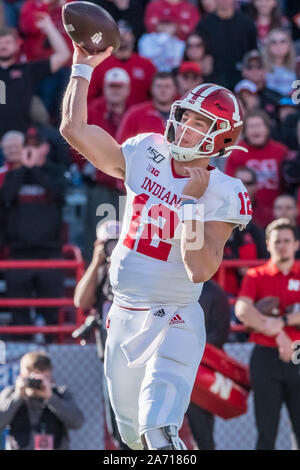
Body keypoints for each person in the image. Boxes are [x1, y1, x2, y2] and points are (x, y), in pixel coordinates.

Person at [60, 42, 252, 450]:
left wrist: (191, 208)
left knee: (158, 429)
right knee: (129, 435)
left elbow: (200, 269)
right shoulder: (145, 150)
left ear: (220, 138)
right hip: (123, 311)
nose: (184, 127)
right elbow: (73, 130)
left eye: (199, 123)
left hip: (176, 317)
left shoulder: (223, 190)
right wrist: (82, 67)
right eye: (184, 117)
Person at [235, 218, 300, 450]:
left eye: (287, 240)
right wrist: (275, 331)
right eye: (277, 241)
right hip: (265, 356)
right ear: (268, 244)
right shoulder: (256, 275)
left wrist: (281, 322)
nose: (282, 245)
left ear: (296, 244)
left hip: (298, 354)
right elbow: (242, 309)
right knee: (266, 431)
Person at [0, 130, 66, 337]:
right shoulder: (13, 176)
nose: (30, 152)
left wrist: (36, 169)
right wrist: (24, 169)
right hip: (19, 253)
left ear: (44, 148)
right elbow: (6, 197)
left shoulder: (55, 172)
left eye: (35, 146)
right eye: (27, 147)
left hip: (50, 253)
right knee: (19, 314)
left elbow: (59, 193)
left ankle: (55, 355)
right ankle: (23, 357)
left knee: (51, 312)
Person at [0, 351, 84, 449]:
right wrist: (18, 397)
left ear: (50, 376)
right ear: (21, 375)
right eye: (32, 379)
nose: (36, 383)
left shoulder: (60, 393)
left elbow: (77, 422)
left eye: (42, 378)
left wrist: (51, 398)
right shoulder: (11, 393)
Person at [0, 25, 70, 138]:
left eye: (7, 42)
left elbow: (63, 55)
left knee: (55, 139)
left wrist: (48, 26)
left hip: (25, 139)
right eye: (0, 43)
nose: (3, 46)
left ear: (17, 45)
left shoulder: (27, 70)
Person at [225, 109, 289, 228]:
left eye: (258, 125)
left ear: (267, 128)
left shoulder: (281, 151)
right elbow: (229, 186)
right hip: (246, 215)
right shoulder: (236, 153)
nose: (255, 130)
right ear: (245, 131)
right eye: (251, 126)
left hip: (277, 213)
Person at [186, 280, 230, 450]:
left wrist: (189, 348)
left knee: (202, 432)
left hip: (201, 373)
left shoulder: (213, 291)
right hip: (168, 366)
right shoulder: (171, 286)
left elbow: (220, 333)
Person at [88, 20, 156, 107]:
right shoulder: (100, 64)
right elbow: (90, 98)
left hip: (138, 117)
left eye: (126, 33)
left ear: (133, 37)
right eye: (118, 33)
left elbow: (155, 97)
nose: (122, 36)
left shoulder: (146, 64)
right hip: (107, 117)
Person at [196, 0, 257, 90]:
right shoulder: (204, 24)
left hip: (241, 80)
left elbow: (253, 51)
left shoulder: (247, 23)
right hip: (213, 80)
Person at [116, 71, 177, 143]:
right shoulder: (135, 113)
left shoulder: (183, 114)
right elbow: (120, 143)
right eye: (159, 86)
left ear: (175, 89)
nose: (163, 90)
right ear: (151, 88)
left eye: (167, 86)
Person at [88, 67, 131, 138]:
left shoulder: (134, 112)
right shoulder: (91, 111)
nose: (115, 90)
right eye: (111, 86)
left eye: (119, 86)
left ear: (128, 89)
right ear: (104, 88)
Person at [263, 28, 297, 97]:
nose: (278, 45)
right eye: (274, 42)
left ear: (289, 45)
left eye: (283, 41)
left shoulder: (297, 67)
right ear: (268, 47)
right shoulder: (260, 67)